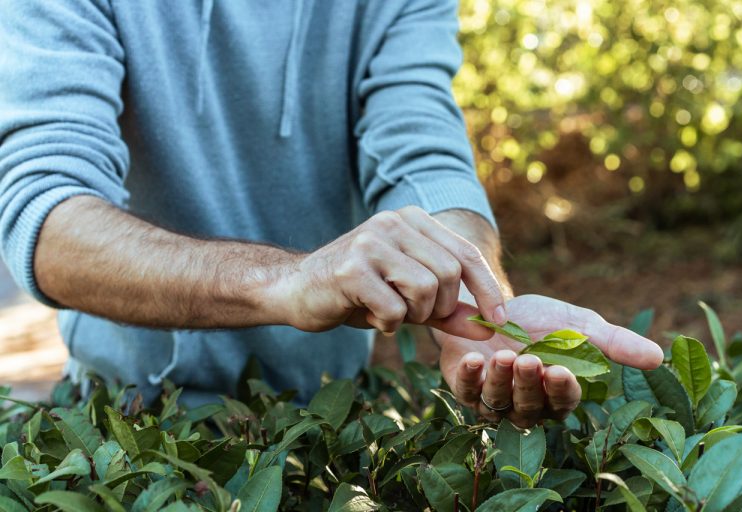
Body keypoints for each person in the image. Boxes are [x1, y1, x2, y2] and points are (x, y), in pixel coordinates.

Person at [0, 0, 662, 426]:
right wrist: (286, 280)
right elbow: (48, 217)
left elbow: (423, 155)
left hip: (326, 421)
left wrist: (479, 305)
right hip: (123, 425)